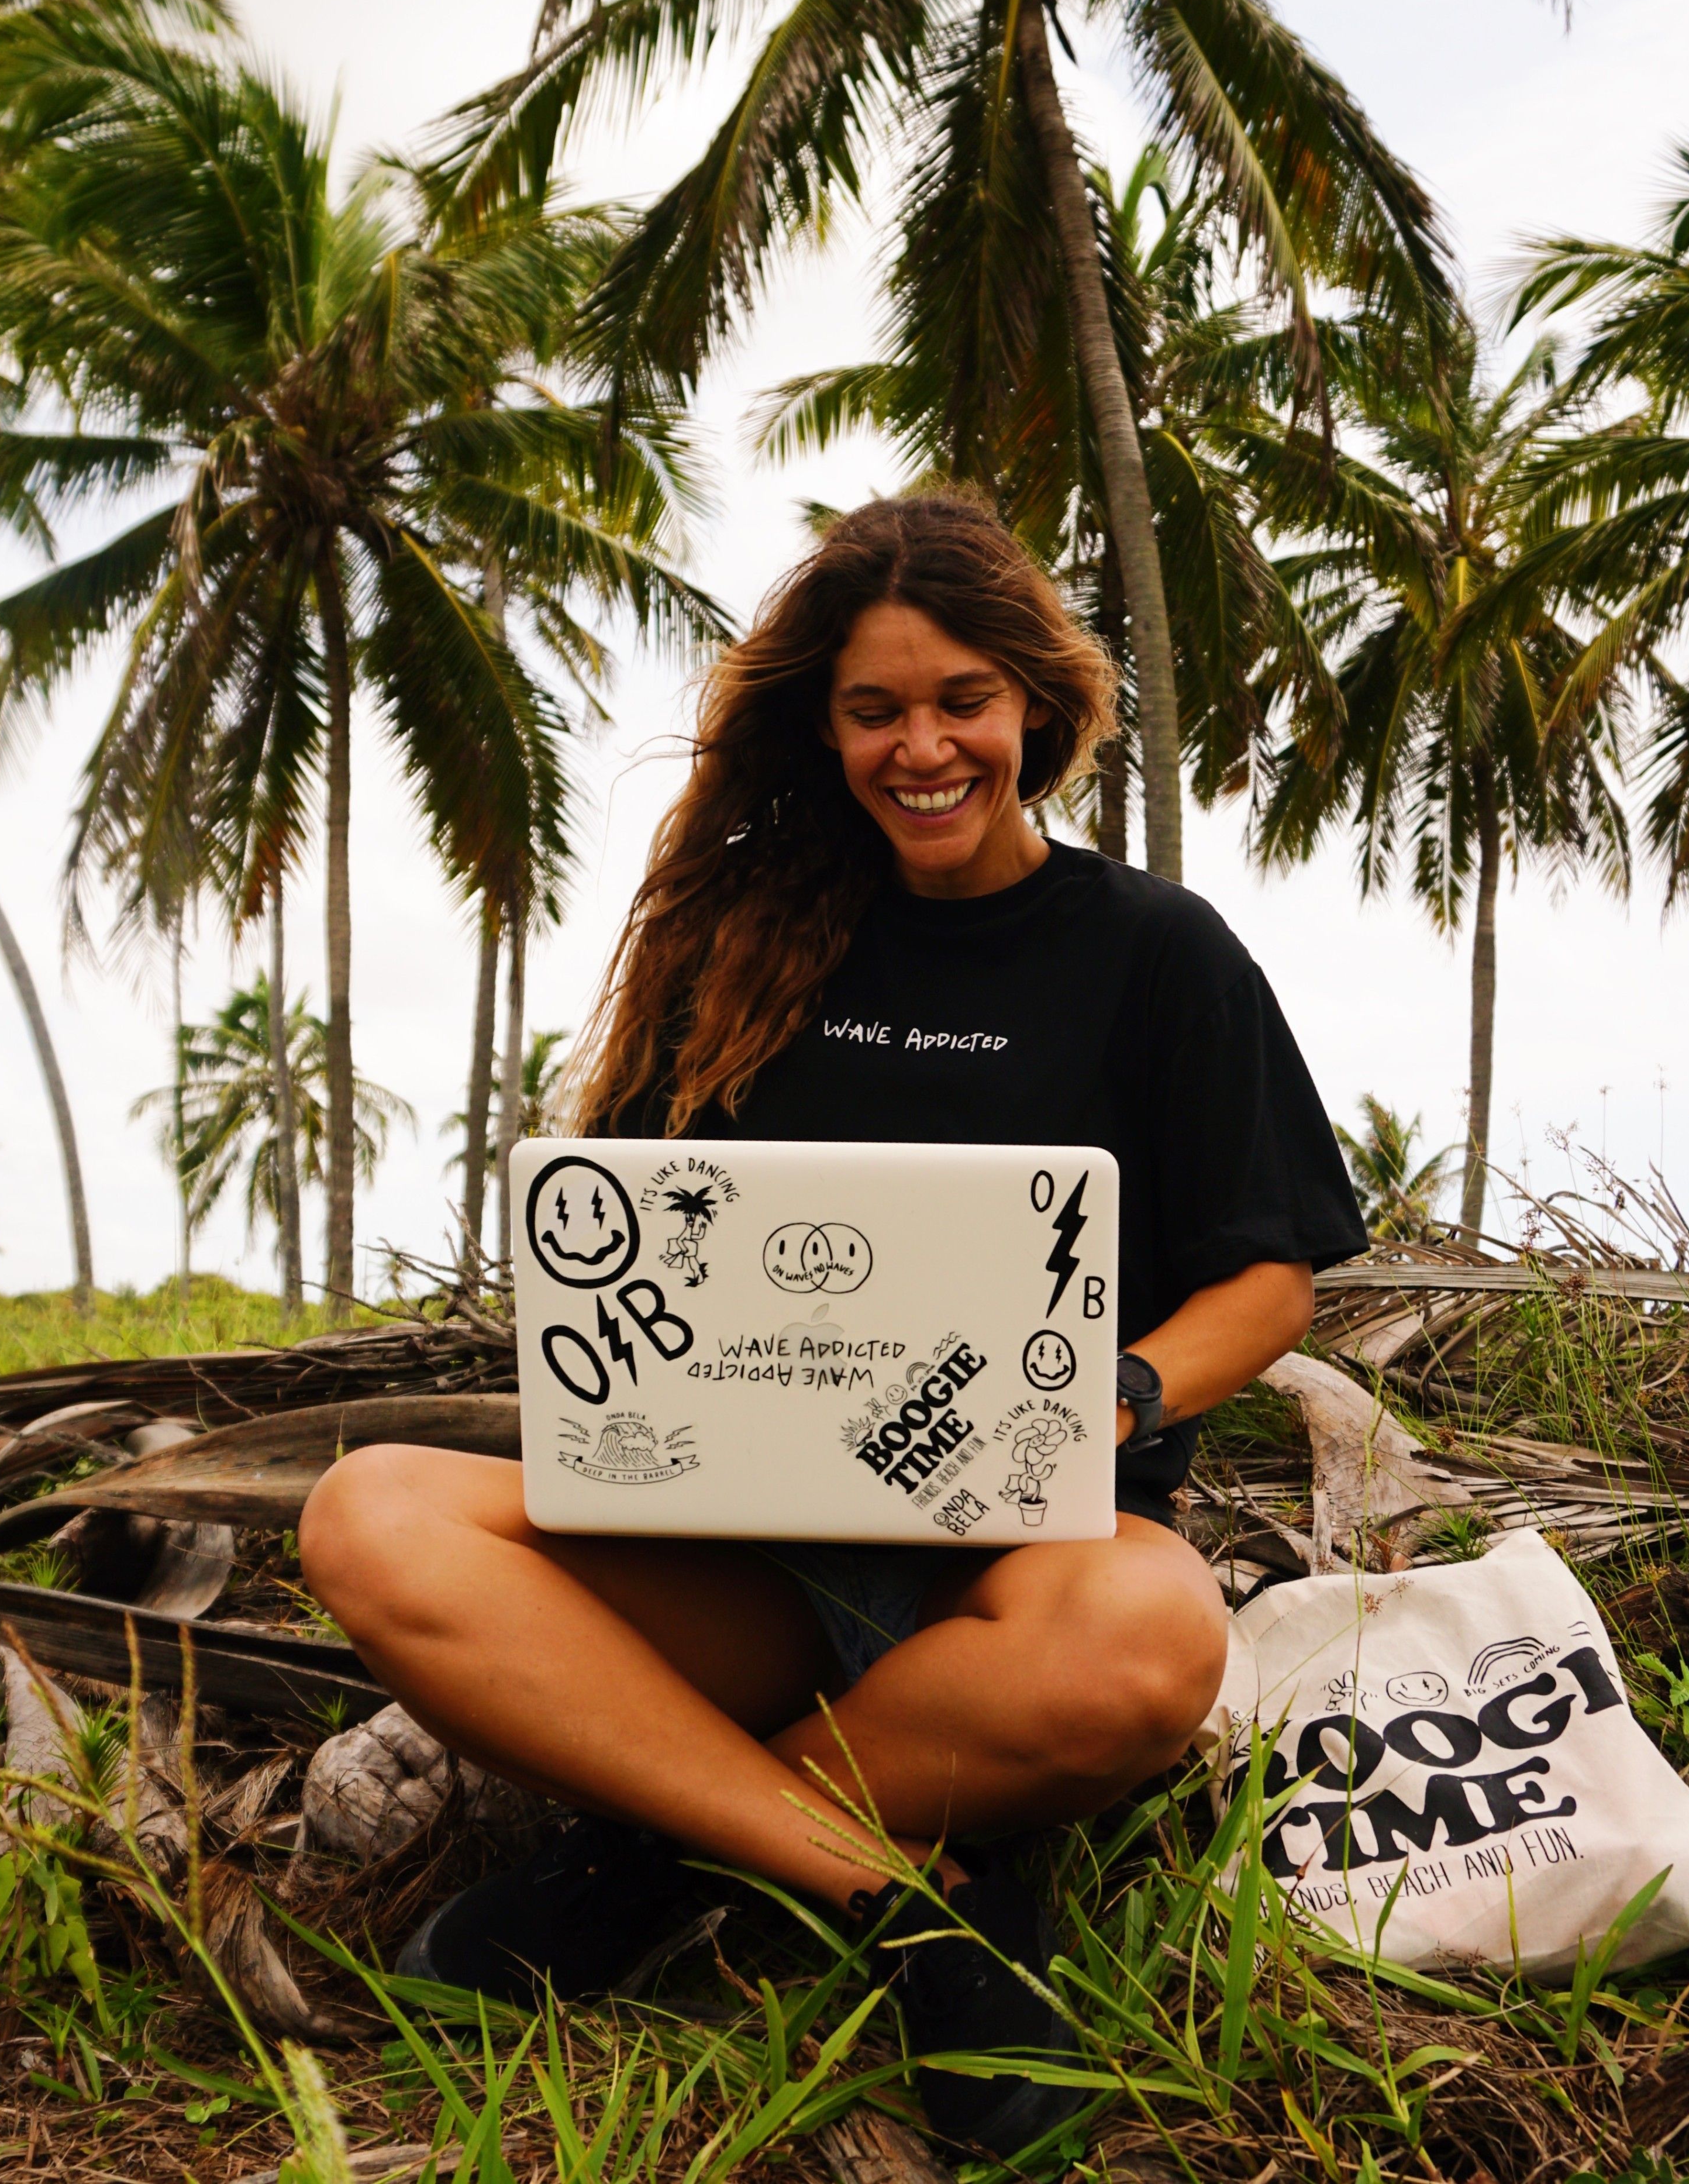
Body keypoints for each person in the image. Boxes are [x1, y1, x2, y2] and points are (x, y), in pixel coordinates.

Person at [300, 494, 1366, 2152]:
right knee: (368, 1511)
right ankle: (907, 1898)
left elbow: (1269, 1278)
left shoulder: (1156, 952)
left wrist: (1120, 1393)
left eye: (961, 702)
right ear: (825, 727)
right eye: (875, 710)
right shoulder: (736, 935)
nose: (921, 748)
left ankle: (655, 1850)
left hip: (1028, 1551)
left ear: (1034, 705)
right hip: (749, 1562)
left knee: (1154, 1645)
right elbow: (628, 1236)